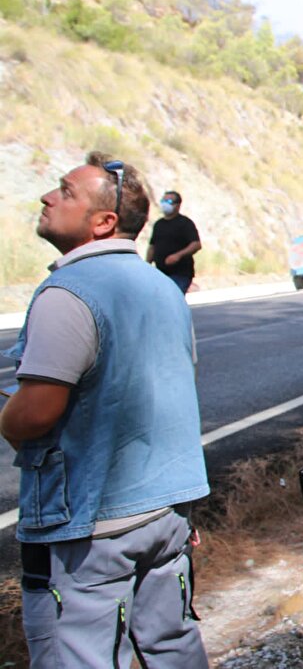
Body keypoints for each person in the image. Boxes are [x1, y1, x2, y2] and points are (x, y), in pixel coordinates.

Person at [1, 152, 210, 667]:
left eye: (65, 191)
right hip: (167, 513)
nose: (48, 197)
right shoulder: (162, 288)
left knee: (78, 655)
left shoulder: (67, 292)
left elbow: (35, 414)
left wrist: (8, 416)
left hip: (90, 526)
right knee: (172, 647)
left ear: (103, 221)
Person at [146, 189, 202, 294]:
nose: (165, 204)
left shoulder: (185, 223)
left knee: (174, 296)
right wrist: (147, 264)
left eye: (169, 202)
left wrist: (178, 255)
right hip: (161, 273)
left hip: (180, 273)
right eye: (163, 201)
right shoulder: (159, 224)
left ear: (178, 205)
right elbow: (152, 246)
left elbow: (196, 244)